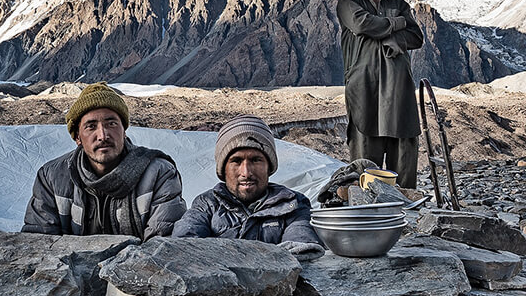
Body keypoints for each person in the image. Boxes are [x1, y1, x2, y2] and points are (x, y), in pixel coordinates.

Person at [22, 82, 186, 239]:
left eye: (112, 124)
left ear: (124, 131)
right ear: (78, 137)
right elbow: (40, 243)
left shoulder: (159, 173)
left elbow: (163, 246)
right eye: (91, 126)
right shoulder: (51, 177)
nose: (103, 135)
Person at [337, 0, 424, 188]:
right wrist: (397, 23)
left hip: (399, 92)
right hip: (365, 91)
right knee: (365, 169)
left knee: (404, 166)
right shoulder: (348, 2)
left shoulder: (399, 3)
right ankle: (367, 218)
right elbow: (361, 24)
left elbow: (416, 37)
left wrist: (395, 40)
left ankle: (407, 218)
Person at [172, 115, 322, 255]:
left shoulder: (293, 204)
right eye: (236, 161)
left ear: (269, 167)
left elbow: (301, 247)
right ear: (223, 169)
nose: (246, 172)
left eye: (256, 160)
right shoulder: (206, 205)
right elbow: (183, 246)